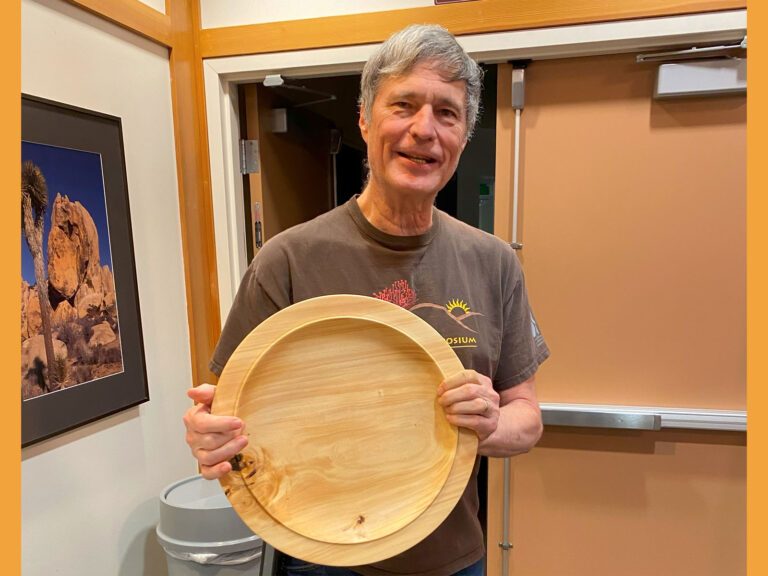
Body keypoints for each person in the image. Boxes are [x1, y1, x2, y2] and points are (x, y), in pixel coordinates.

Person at [183, 23, 549, 576]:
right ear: (364, 118)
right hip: (319, 555)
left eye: (447, 113)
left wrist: (491, 421)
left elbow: (529, 417)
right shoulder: (288, 260)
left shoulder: (493, 261)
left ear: (464, 135)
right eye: (403, 104)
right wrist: (208, 435)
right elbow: (227, 409)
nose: (424, 130)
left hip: (451, 558)